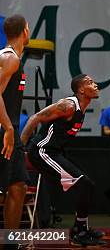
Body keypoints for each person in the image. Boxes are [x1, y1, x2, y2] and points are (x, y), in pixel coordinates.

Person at [21, 74, 105, 246]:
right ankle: (79, 233)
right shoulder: (67, 106)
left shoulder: (81, 108)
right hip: (41, 152)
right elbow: (34, 118)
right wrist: (19, 149)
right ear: (81, 90)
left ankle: (80, 229)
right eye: (90, 82)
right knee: (83, 184)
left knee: (86, 185)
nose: (96, 85)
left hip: (54, 152)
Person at [0, 14, 29, 231]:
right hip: (4, 130)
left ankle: (10, 241)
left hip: (12, 130)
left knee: (18, 186)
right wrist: (8, 127)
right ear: (25, 31)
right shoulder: (11, 59)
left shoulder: (13, 58)